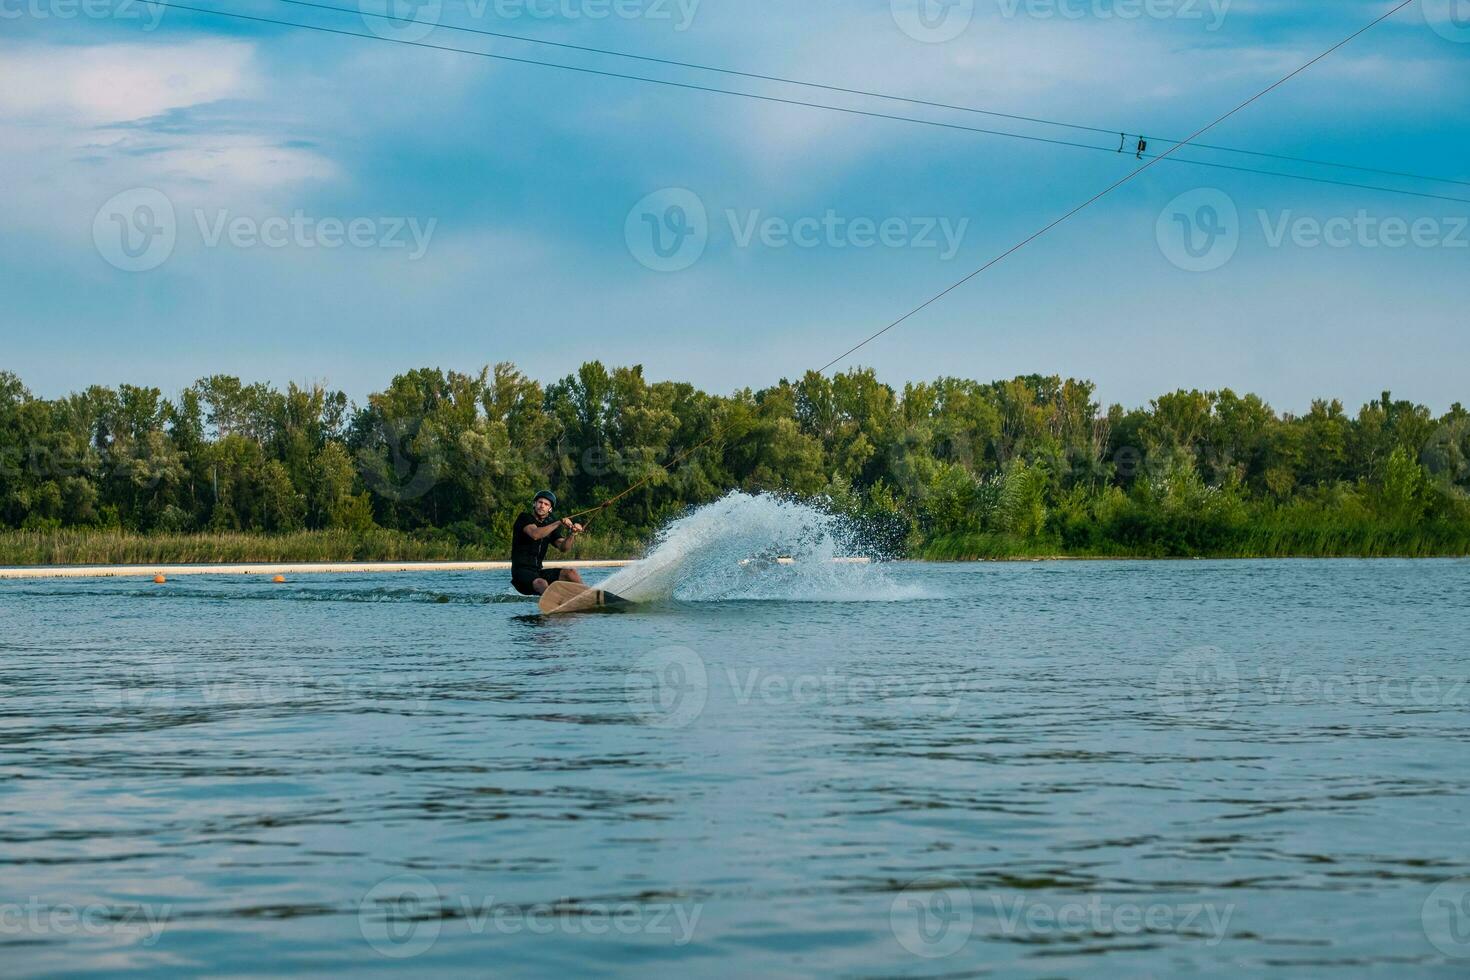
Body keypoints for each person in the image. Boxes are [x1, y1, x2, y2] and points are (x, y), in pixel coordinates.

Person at [510, 490, 585, 596]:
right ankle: (556, 602)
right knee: (541, 582)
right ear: (534, 504)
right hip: (521, 574)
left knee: (570, 573)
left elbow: (563, 547)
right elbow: (535, 534)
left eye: (546, 504)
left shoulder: (549, 524)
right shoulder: (524, 518)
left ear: (550, 509)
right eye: (540, 502)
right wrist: (559, 522)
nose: (542, 506)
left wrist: (572, 534)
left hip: (537, 571)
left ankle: (587, 596)